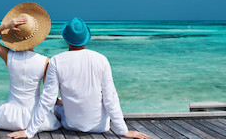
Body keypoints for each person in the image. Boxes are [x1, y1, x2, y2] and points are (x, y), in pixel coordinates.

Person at [8, 17, 150, 139]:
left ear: (66, 38)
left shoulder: (56, 61)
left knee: (57, 106)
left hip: (71, 126)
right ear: (86, 37)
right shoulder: (101, 59)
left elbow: (47, 99)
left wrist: (29, 132)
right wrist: (123, 131)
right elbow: (110, 97)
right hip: (101, 127)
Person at [0, 2, 60, 132]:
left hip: (8, 119)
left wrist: (5, 26)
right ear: (37, 36)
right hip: (36, 119)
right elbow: (48, 95)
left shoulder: (9, 56)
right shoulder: (45, 61)